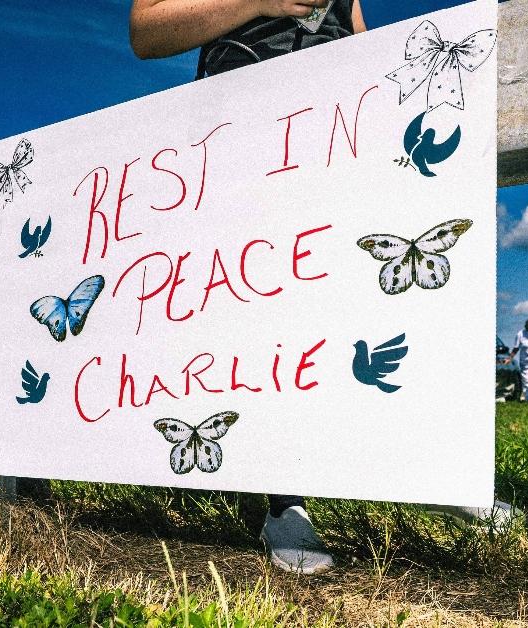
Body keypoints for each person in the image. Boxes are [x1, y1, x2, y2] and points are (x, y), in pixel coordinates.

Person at [131, 0, 363, 576]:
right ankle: (284, 497)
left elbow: (355, 26)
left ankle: (432, 469)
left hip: (338, 119)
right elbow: (146, 31)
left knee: (345, 297)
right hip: (242, 124)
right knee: (266, 312)